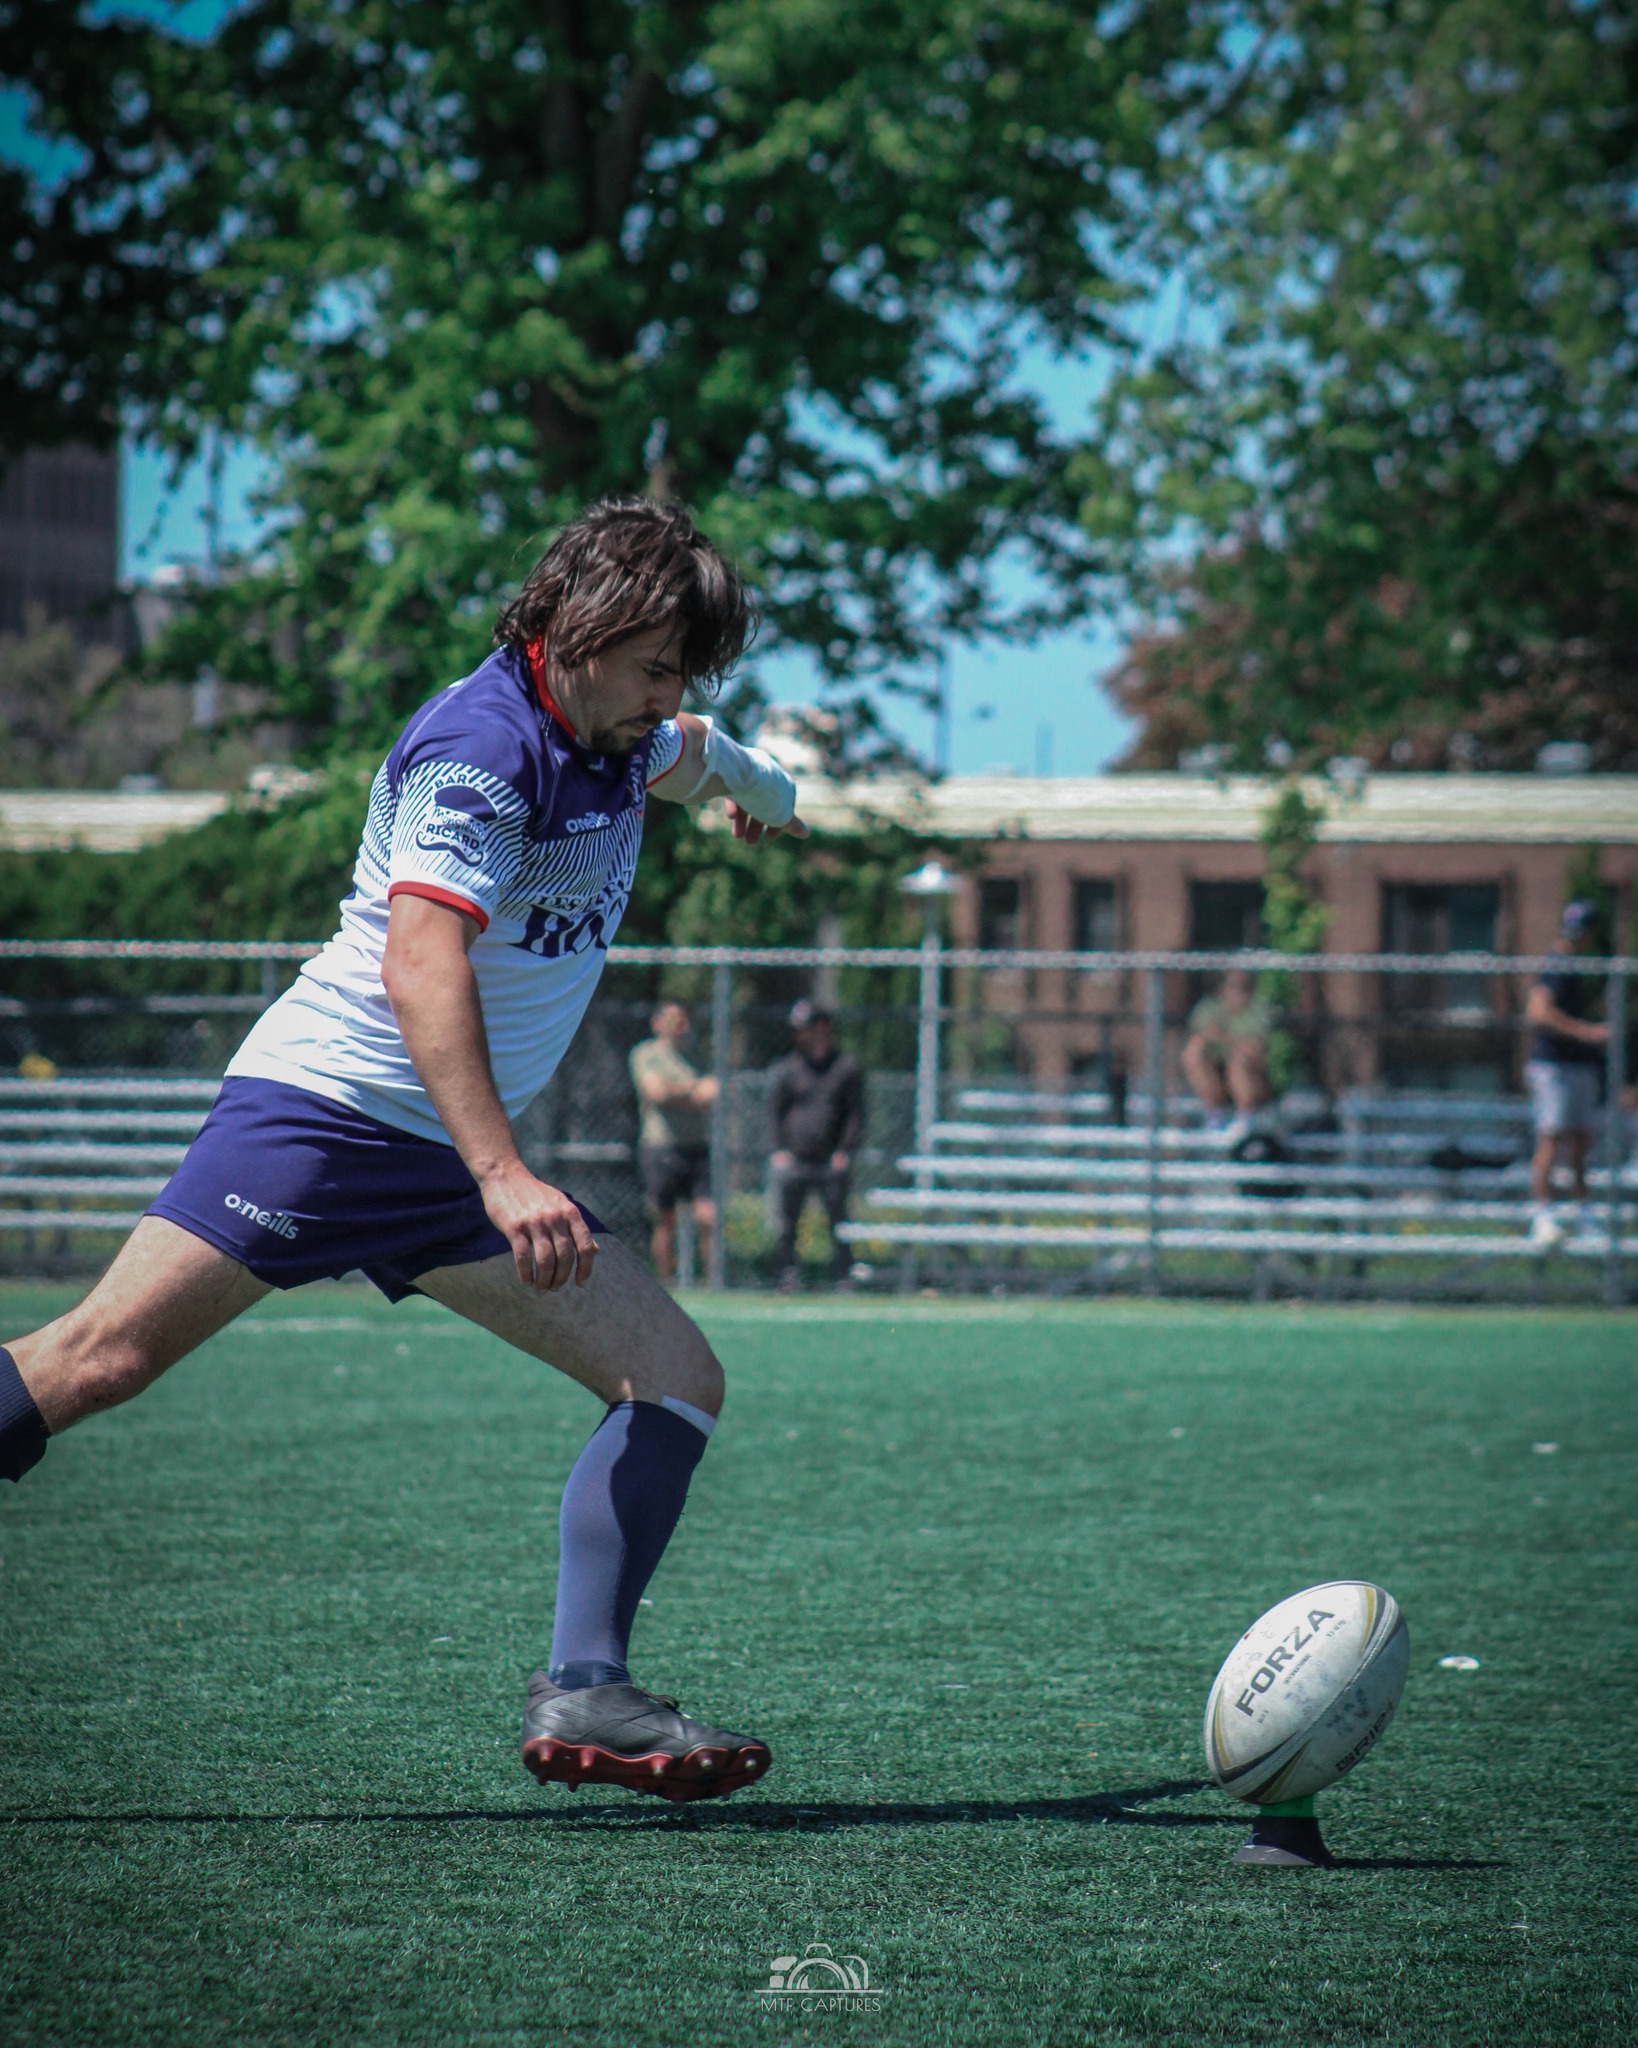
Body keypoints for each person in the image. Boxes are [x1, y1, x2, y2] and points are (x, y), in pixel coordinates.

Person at [0, 498, 808, 1806]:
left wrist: (768, 793)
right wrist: (501, 1170)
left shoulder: (614, 729)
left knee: (669, 1376)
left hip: (441, 1150)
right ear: (574, 630)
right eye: (656, 663)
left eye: (679, 673)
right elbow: (421, 954)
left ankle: (587, 1687)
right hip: (326, 1118)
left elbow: (701, 756)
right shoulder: (481, 750)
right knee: (98, 1360)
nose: (667, 696)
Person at [1525, 900, 1609, 1248]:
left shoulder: (1584, 966)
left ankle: (1582, 1210)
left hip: (1579, 1067)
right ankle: (1543, 1216)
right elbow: (1538, 1012)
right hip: (1555, 1066)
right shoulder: (1557, 964)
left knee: (1580, 1144)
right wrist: (1585, 1032)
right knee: (1551, 1139)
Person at [767, 1000, 864, 1291]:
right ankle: (786, 1272)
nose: (801, 1035)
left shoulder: (845, 1067)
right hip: (795, 1158)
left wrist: (844, 1150)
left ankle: (843, 1274)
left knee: (838, 1219)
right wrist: (779, 1149)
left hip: (830, 1160)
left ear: (822, 1028)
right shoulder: (788, 1068)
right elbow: (776, 1112)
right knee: (787, 1222)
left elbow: (855, 1114)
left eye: (807, 1028)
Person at [629, 1001, 717, 1283]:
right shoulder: (646, 1054)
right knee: (665, 1219)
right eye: (671, 1018)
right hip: (660, 1146)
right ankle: (666, 1283)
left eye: (682, 1017)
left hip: (696, 1147)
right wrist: (690, 1092)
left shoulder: (698, 1057)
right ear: (657, 1022)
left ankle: (713, 1281)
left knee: (707, 1216)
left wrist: (675, 1092)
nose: (678, 1023)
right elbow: (655, 1093)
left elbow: (710, 1094)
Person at [1182, 967, 1275, 1137]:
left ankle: (1245, 1117)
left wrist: (1223, 1038)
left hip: (1254, 1076)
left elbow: (1255, 1048)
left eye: (1244, 986)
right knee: (1193, 1052)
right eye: (1233, 986)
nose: (1239, 991)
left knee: (1238, 1060)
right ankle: (1215, 1112)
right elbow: (1200, 1036)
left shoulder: (1258, 1010)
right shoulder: (1210, 1008)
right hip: (1217, 1070)